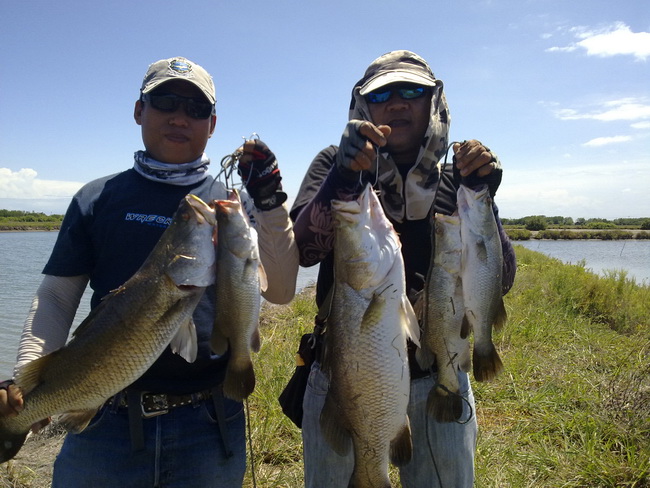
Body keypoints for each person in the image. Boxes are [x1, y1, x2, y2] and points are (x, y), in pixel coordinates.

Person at [0, 56, 298, 487]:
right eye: (165, 101)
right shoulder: (96, 197)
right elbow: (57, 298)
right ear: (139, 110)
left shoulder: (231, 205)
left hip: (211, 421)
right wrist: (26, 382)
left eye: (196, 109)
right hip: (105, 422)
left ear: (212, 125)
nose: (180, 116)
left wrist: (271, 203)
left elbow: (284, 290)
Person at [289, 50, 517, 487]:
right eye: (382, 94)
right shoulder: (333, 164)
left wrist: (484, 197)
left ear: (433, 102)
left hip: (436, 376)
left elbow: (498, 278)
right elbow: (303, 252)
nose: (396, 103)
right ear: (363, 106)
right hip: (346, 377)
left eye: (412, 91)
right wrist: (341, 179)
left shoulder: (459, 179)